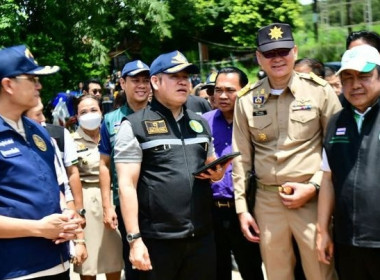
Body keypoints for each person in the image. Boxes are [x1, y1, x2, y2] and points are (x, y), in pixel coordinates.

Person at [232, 23, 342, 280]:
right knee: (277, 274)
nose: (277, 58)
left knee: (320, 272)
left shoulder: (320, 91)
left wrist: (315, 187)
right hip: (267, 202)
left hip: (313, 200)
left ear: (295, 51)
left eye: (283, 51)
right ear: (259, 57)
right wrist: (242, 208)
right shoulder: (247, 99)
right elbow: (241, 157)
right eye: (269, 53)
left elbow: (337, 149)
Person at [114, 50, 231, 280]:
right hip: (156, 240)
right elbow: (126, 185)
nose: (183, 82)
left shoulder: (199, 123)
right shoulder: (135, 125)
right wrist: (134, 240)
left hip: (201, 237)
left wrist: (217, 173)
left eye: (186, 77)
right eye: (175, 76)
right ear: (155, 82)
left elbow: (210, 166)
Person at [0, 44, 82, 280]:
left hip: (57, 263)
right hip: (16, 270)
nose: (40, 86)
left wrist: (68, 215)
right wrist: (38, 228)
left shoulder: (39, 132)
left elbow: (54, 185)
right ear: (8, 85)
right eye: (33, 79)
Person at [317, 44, 380, 280]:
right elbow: (327, 179)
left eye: (364, 76)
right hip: (347, 240)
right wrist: (323, 231)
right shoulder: (335, 122)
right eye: (348, 77)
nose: (355, 85)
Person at [202, 66, 264, 280]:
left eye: (230, 90)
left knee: (251, 269)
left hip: (248, 210)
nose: (222, 96)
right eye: (218, 90)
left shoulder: (257, 120)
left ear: (245, 90)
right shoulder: (203, 122)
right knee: (217, 271)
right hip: (212, 212)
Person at [99, 60, 151, 280]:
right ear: (122, 83)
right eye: (135, 80)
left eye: (146, 80)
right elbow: (104, 164)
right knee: (134, 262)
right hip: (124, 203)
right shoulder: (111, 120)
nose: (141, 85)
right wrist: (107, 205)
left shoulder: (160, 115)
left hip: (156, 201)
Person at [72, 95, 124, 280]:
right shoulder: (71, 141)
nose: (89, 114)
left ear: (101, 112)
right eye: (83, 112)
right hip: (87, 202)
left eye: (94, 110)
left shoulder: (113, 134)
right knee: (88, 264)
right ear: (76, 116)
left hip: (113, 197)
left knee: (114, 259)